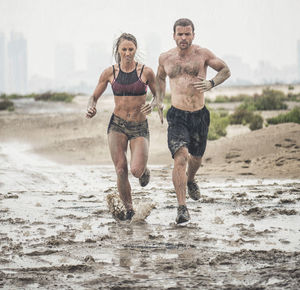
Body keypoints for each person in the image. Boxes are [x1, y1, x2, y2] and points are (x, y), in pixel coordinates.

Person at [156, 18, 231, 224]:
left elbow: (225, 69)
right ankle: (182, 208)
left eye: (187, 34)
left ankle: (191, 180)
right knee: (180, 157)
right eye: (179, 34)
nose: (183, 38)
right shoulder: (165, 58)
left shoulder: (202, 54)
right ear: (173, 35)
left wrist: (211, 82)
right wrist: (159, 101)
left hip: (199, 115)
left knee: (195, 158)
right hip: (177, 115)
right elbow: (160, 78)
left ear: (193, 35)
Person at [86, 33, 162, 221]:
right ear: (118, 51)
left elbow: (158, 96)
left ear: (136, 50)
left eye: (131, 49)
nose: (128, 53)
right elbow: (94, 96)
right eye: (124, 50)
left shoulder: (146, 72)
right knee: (121, 169)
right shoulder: (109, 72)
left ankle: (144, 170)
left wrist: (152, 105)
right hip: (117, 125)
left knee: (135, 171)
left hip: (139, 126)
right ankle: (129, 210)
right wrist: (91, 106)